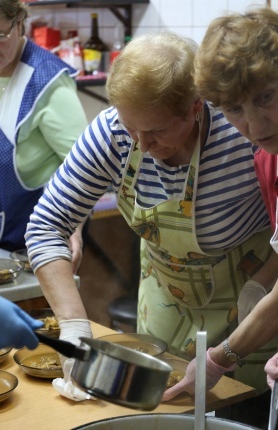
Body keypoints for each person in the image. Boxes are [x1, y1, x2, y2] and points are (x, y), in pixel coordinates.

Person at [25, 31, 278, 407]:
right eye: (132, 128)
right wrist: (75, 329)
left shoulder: (247, 135)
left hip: (251, 316)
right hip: (166, 311)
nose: (141, 145)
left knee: (240, 412)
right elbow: (47, 224)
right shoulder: (112, 133)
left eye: (157, 131)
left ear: (195, 107)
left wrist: (262, 283)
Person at [164, 6, 278, 427]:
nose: (254, 123)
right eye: (233, 109)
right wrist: (260, 283)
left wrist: (219, 358)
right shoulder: (268, 159)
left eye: (266, 96)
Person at [0, 0, 88, 273]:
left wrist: (73, 226)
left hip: (29, 250)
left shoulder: (46, 80)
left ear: (20, 23)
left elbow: (85, 166)